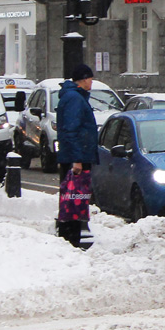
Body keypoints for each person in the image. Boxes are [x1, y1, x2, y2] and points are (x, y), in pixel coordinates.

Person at [57, 64, 98, 246]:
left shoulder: (75, 96)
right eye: (90, 78)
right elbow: (71, 130)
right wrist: (77, 159)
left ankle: (71, 236)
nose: (91, 82)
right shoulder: (75, 98)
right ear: (83, 79)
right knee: (74, 199)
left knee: (73, 198)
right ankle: (71, 239)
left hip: (76, 156)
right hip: (76, 159)